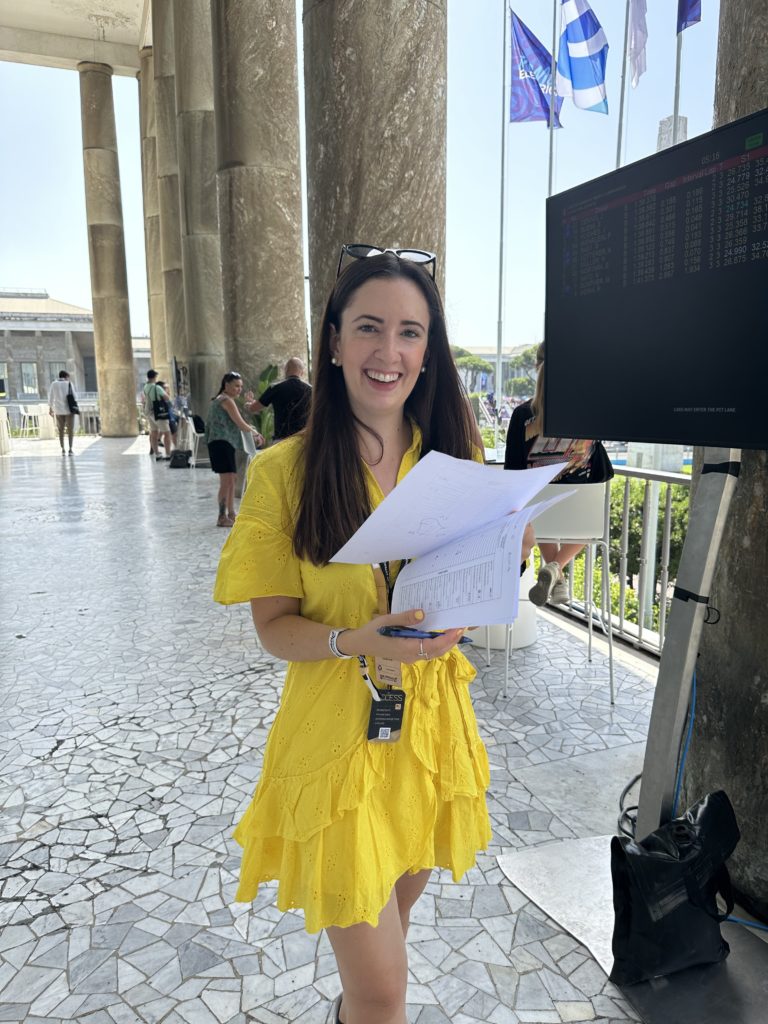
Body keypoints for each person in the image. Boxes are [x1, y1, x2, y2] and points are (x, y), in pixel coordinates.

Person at [214, 248, 534, 1024]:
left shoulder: (456, 461)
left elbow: (486, 588)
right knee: (384, 989)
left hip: (427, 737)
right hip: (337, 743)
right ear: (332, 342)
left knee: (393, 926)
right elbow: (273, 630)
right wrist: (357, 639)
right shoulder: (283, 473)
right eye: (368, 328)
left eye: (409, 333)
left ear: (428, 353)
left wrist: (508, 556)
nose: (388, 353)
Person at [504, 341, 613, 607]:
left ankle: (555, 571)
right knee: (591, 513)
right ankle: (556, 570)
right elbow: (603, 472)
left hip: (539, 516)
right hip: (581, 518)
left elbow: (512, 472)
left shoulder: (521, 415)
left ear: (536, 367)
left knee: (536, 509)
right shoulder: (589, 413)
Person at [205, 372, 264, 527]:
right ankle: (221, 516)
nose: (239, 389)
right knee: (226, 481)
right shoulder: (226, 400)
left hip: (223, 444)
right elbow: (240, 423)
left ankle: (231, 513)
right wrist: (256, 433)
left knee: (232, 480)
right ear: (226, 385)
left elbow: (239, 422)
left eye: (241, 386)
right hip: (220, 444)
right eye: (237, 386)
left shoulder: (224, 400)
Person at [245, 356, 312, 441]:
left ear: (286, 370)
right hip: (303, 440)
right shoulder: (310, 390)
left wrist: (249, 403)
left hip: (281, 440)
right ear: (302, 372)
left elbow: (254, 408)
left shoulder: (275, 388)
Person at [142, 369, 173, 460]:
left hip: (149, 412)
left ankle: (157, 454)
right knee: (167, 433)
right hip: (159, 412)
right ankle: (168, 454)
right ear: (155, 377)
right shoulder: (157, 387)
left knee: (154, 433)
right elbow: (166, 398)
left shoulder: (146, 387)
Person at [47, 369, 76, 455]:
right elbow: (74, 396)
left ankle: (63, 449)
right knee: (70, 430)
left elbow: (51, 397)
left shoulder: (53, 384)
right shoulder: (69, 384)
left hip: (58, 410)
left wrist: (50, 409)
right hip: (69, 411)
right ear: (66, 376)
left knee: (61, 430)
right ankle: (70, 449)